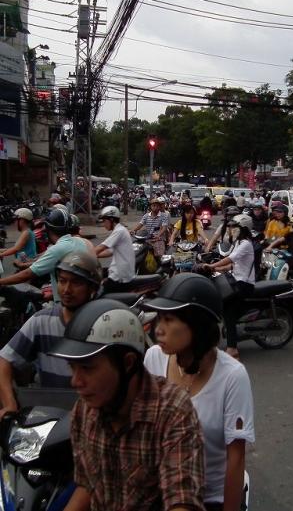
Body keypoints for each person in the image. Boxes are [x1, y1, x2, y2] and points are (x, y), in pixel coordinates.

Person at [49, 298, 205, 511]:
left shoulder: (172, 411)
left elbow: (182, 499)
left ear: (128, 363)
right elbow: (87, 485)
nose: (75, 381)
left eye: (87, 368)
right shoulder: (84, 411)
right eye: (72, 368)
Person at [143, 273, 255, 511]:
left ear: (198, 326)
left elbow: (235, 459)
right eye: (159, 319)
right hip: (161, 491)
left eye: (169, 320)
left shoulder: (232, 376)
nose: (159, 330)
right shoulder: (153, 358)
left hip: (210, 498)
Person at [0, 250, 102, 417]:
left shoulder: (103, 324)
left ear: (92, 288)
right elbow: (4, 360)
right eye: (62, 281)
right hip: (52, 417)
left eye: (76, 283)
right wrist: (9, 404)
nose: (67, 289)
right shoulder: (41, 321)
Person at [0, 209, 88, 303]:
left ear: (48, 229)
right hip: (82, 298)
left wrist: (1, 281)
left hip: (66, 303)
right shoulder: (79, 241)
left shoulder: (58, 248)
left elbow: (27, 274)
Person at [203, 214, 255, 360]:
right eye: (230, 227)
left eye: (234, 227)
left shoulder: (245, 243)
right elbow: (233, 265)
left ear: (243, 228)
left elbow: (231, 259)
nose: (231, 229)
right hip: (235, 279)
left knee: (228, 310)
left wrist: (212, 265)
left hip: (244, 284)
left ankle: (232, 348)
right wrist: (215, 269)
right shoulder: (238, 243)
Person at [95, 206, 136, 293]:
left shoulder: (119, 231)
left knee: (98, 294)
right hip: (121, 273)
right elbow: (109, 252)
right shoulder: (120, 229)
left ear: (112, 220)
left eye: (104, 221)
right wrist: (95, 255)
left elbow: (101, 247)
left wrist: (88, 254)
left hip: (120, 276)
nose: (103, 224)